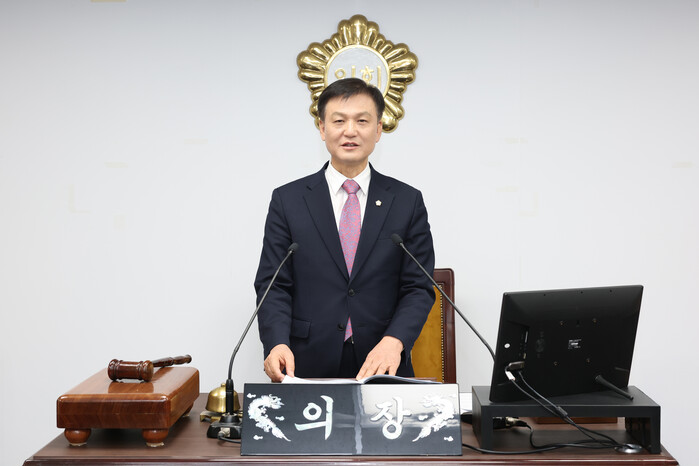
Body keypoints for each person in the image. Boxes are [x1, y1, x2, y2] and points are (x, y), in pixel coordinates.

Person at [254, 77, 435, 382]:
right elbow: (274, 284)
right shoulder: (288, 200)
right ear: (322, 128)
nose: (350, 131)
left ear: (378, 129)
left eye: (362, 121)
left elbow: (418, 286)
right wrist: (276, 342)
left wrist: (395, 341)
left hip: (382, 360)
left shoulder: (406, 201)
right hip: (305, 363)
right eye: (339, 121)